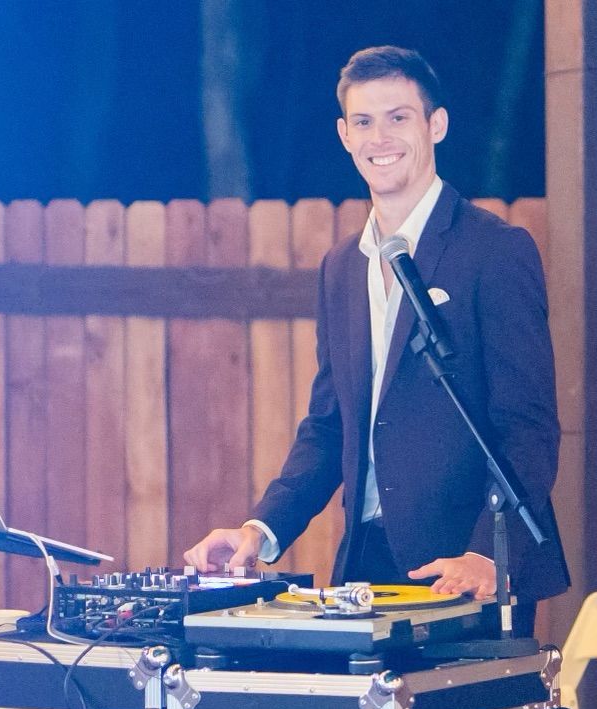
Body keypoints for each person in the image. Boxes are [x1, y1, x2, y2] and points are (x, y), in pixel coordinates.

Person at [184, 46, 569, 635]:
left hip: (466, 570)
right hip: (365, 564)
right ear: (344, 135)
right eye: (363, 121)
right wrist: (259, 531)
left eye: (398, 117)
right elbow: (329, 424)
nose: (379, 137)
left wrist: (491, 557)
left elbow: (529, 425)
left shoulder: (495, 251)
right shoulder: (341, 266)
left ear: (435, 124)